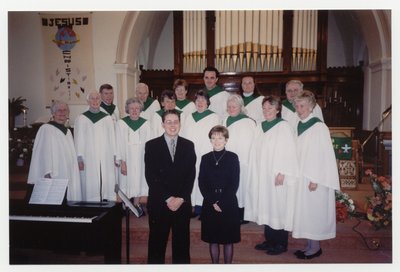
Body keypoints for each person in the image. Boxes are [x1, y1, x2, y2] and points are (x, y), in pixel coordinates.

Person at [244, 95, 299, 255]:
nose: (267, 111)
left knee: (278, 207)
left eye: (270, 108)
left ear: (277, 109)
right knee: (266, 205)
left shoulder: (283, 126)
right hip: (263, 174)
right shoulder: (260, 126)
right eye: (264, 108)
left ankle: (281, 243)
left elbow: (289, 151)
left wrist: (282, 172)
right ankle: (270, 240)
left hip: (276, 174)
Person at [292, 90, 339, 259]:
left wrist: (315, 179)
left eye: (303, 105)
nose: (299, 108)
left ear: (311, 106)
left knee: (314, 212)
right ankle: (309, 245)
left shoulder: (319, 126)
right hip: (302, 175)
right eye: (297, 105)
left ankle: (315, 248)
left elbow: (323, 155)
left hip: (314, 178)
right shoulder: (299, 123)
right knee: (306, 212)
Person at [144, 109, 196, 264]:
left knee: (181, 246)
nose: (172, 125)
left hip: (181, 203)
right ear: (162, 124)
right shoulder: (152, 145)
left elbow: (190, 175)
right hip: (160, 202)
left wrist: (180, 198)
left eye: (175, 122)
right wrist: (168, 198)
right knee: (156, 245)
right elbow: (151, 176)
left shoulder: (188, 145)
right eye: (169, 122)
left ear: (180, 123)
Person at [198, 125, 240, 264]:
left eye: (220, 138)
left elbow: (234, 183)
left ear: (226, 140)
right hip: (210, 203)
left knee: (228, 240)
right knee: (213, 239)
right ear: (210, 140)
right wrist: (212, 202)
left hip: (228, 203)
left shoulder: (233, 157)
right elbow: (201, 182)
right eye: (213, 138)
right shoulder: (205, 158)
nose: (217, 141)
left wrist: (221, 202)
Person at [27, 100, 81, 201]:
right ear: (53, 113)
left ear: (68, 114)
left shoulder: (68, 132)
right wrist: (46, 173)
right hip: (53, 175)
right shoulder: (46, 129)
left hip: (67, 174)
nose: (62, 112)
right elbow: (42, 153)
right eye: (58, 110)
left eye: (65, 110)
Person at [180, 90, 221, 217]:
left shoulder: (214, 117)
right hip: (191, 154)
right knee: (191, 179)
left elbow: (216, 137)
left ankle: (204, 208)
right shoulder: (189, 117)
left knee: (205, 180)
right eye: (197, 100)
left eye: (203, 100)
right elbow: (184, 135)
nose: (200, 102)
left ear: (208, 102)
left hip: (206, 153)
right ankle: (192, 207)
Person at [74, 90, 118, 201]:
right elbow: (78, 139)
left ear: (100, 100)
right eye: (92, 98)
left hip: (105, 154)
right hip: (88, 156)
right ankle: (91, 202)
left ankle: (106, 200)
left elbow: (112, 137)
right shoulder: (81, 118)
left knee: (106, 177)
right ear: (88, 101)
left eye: (97, 98)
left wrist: (114, 155)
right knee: (90, 180)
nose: (95, 101)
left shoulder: (107, 118)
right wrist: (79, 158)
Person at [222, 94, 256, 223]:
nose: (231, 109)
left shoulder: (248, 122)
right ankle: (232, 211)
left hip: (243, 161)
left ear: (241, 107)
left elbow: (251, 143)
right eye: (229, 106)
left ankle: (242, 214)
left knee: (242, 187)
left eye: (234, 106)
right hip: (228, 159)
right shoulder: (225, 120)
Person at [115, 97, 152, 217]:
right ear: (127, 109)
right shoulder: (121, 123)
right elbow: (118, 142)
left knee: (138, 180)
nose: (135, 111)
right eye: (132, 108)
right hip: (127, 158)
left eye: (137, 108)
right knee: (125, 181)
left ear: (141, 109)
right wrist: (122, 161)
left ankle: (136, 205)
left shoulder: (146, 124)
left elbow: (150, 143)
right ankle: (124, 206)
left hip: (141, 158)